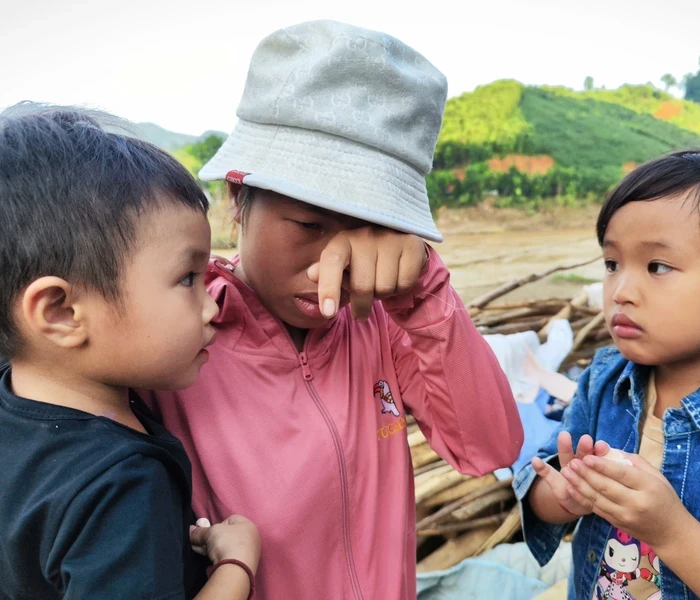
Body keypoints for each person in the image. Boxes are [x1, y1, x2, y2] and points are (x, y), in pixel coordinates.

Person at [148, 20, 524, 600]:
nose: (335, 263)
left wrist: (423, 292)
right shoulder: (175, 341)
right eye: (309, 225)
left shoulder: (384, 325)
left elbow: (491, 448)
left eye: (372, 232)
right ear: (237, 199)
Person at [516, 144, 700, 599]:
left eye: (658, 266)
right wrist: (565, 498)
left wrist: (673, 533)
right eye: (612, 264)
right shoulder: (604, 381)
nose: (621, 291)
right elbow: (541, 482)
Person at [0, 106, 261, 600]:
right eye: (187, 279)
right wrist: (236, 564)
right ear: (60, 312)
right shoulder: (120, 486)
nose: (211, 307)